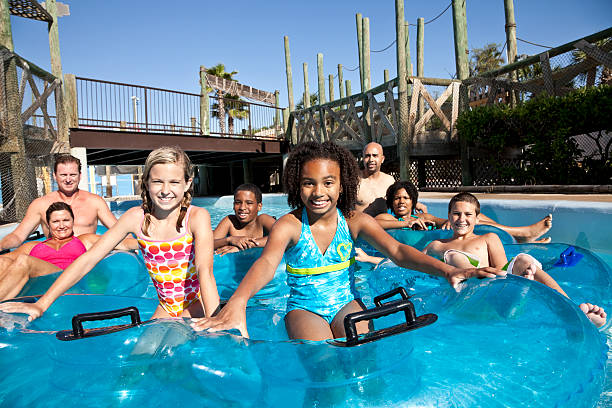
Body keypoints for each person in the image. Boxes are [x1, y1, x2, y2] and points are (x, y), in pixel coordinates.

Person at [191, 141, 504, 340]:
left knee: (362, 360)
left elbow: (398, 250)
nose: (319, 191)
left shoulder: (354, 222)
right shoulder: (289, 225)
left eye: (328, 182)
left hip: (345, 302)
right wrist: (238, 301)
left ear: (342, 186)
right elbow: (267, 262)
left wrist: (447, 270)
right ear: (296, 187)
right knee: (325, 364)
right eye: (308, 183)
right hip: (304, 307)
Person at [0, 146, 220, 321]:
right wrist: (41, 304)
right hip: (165, 307)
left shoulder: (196, 217)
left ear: (187, 183)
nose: (165, 190)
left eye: (174, 182)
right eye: (157, 181)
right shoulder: (135, 218)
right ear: (146, 182)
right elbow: (88, 260)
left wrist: (216, 321)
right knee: (135, 369)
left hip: (195, 305)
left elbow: (205, 271)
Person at [422, 193, 606, 327]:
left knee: (524, 261)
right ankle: (518, 294)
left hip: (495, 292)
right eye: (456, 213)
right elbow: (409, 266)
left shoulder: (488, 239)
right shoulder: (437, 245)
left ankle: (572, 312)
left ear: (477, 219)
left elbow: (502, 270)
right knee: (456, 258)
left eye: (468, 214)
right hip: (465, 296)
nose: (462, 219)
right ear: (448, 216)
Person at [0, 202, 137, 301]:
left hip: (69, 287)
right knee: (4, 261)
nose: (61, 226)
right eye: (55, 221)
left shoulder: (85, 240)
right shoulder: (32, 246)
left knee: (24, 261)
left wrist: (150, 242)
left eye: (66, 220)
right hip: (36, 288)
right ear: (48, 224)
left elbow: (124, 244)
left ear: (72, 222)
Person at [0, 155, 118, 252]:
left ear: (80, 176)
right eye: (63, 175)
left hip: (87, 261)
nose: (68, 179)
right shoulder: (40, 204)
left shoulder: (95, 202)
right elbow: (18, 236)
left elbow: (119, 230)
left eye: (72, 175)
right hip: (56, 260)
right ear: (55, 176)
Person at [376, 180, 553, 243]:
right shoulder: (386, 217)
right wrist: (406, 223)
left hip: (444, 239)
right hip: (426, 246)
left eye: (406, 198)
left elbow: (441, 221)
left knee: (474, 217)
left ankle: (521, 235)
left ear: (413, 201)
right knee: (470, 223)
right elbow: (377, 223)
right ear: (391, 201)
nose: (401, 202)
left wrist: (447, 222)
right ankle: (524, 236)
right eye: (397, 198)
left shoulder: (422, 216)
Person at [355, 142, 427, 217]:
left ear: (382, 159)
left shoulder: (389, 180)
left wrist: (415, 204)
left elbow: (400, 198)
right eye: (367, 156)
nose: (371, 159)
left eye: (375, 156)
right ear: (363, 159)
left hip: (383, 226)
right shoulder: (354, 180)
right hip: (360, 226)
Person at [213, 183, 276, 255]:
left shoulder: (263, 220)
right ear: (233, 205)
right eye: (238, 202)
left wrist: (244, 246)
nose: (242, 207)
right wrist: (229, 240)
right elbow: (209, 244)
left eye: (249, 203)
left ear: (259, 206)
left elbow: (281, 237)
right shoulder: (230, 221)